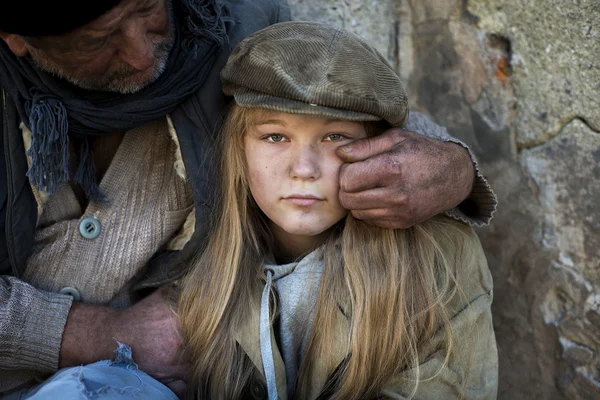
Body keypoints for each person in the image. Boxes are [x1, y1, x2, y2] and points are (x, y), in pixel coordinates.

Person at [0, 0, 496, 397]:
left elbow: (344, 101)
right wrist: (88, 333)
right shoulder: (220, 285)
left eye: (145, 9)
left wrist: (455, 168)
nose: (140, 54)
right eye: (99, 39)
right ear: (16, 38)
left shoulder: (224, 25)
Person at [179, 21, 498, 400]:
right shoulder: (205, 268)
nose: (304, 169)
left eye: (335, 137)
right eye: (275, 136)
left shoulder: (438, 262)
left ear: (378, 151)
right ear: (239, 150)